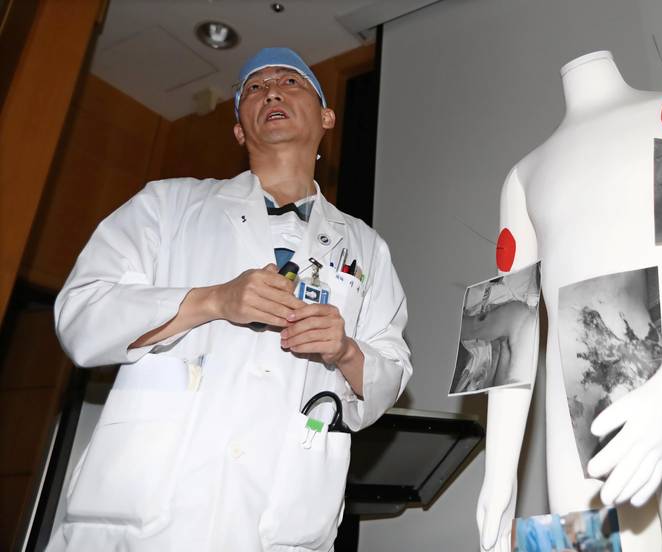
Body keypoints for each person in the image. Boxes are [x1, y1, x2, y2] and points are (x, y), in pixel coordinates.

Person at [47, 47, 412, 552]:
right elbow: (81, 316)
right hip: (144, 526)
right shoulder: (167, 205)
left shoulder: (367, 247)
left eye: (290, 81)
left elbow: (391, 373)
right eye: (255, 88)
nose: (272, 91)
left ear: (327, 117)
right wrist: (213, 301)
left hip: (278, 528)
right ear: (240, 130)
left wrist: (345, 350)